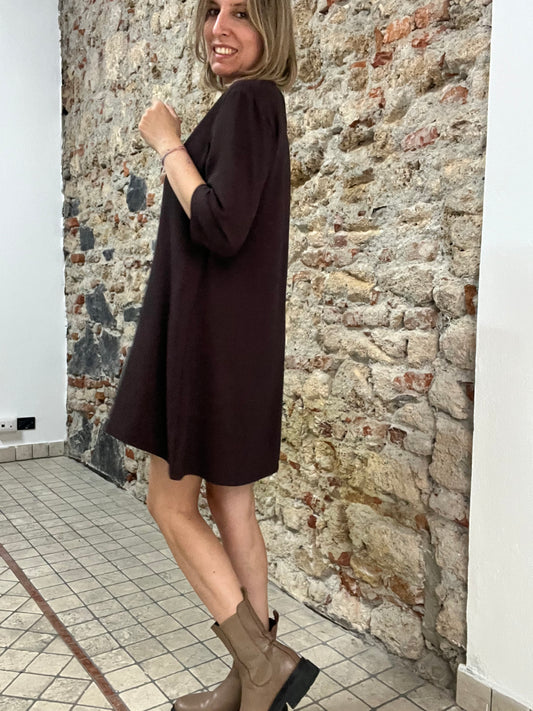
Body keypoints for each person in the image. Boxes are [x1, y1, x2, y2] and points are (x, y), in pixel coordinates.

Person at [105, 0, 320, 709]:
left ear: (270, 29)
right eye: (212, 11)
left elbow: (222, 226)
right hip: (235, 342)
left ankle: (263, 666)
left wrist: (168, 144)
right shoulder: (258, 107)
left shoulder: (249, 101)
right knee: (231, 505)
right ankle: (248, 683)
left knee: (169, 505)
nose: (218, 28)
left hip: (208, 343)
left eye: (241, 13)